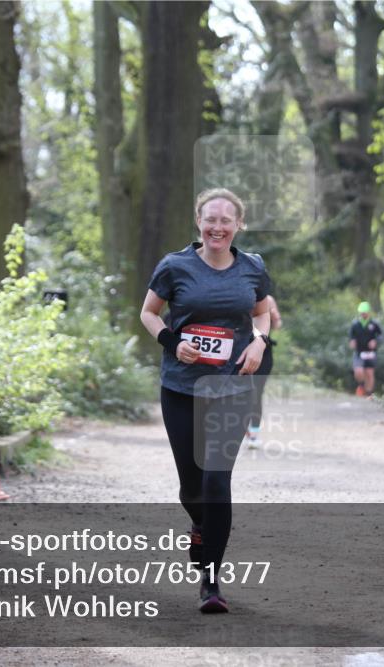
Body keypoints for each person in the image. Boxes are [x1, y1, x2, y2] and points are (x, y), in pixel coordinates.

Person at [139, 187, 272, 614]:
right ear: (198, 222)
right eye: (210, 219)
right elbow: (148, 312)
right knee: (192, 487)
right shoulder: (174, 266)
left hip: (232, 388)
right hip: (181, 389)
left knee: (217, 481)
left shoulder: (252, 267)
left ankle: (211, 582)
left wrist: (259, 342)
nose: (217, 227)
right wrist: (172, 342)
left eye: (226, 220)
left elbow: (262, 311)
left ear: (238, 225)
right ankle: (199, 524)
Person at [246, 295, 281, 448]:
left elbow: (278, 325)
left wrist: (274, 318)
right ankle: (243, 430)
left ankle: (254, 434)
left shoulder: (269, 300)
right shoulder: (239, 292)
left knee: (256, 392)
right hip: (240, 349)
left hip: (263, 352)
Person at [349, 301, 382, 397]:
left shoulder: (374, 324)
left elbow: (381, 335)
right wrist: (352, 341)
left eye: (364, 312)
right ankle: (361, 386)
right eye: (361, 312)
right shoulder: (355, 324)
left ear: (368, 312)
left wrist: (375, 341)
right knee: (358, 371)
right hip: (359, 352)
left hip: (370, 352)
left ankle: (369, 394)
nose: (363, 314)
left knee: (369, 373)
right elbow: (351, 337)